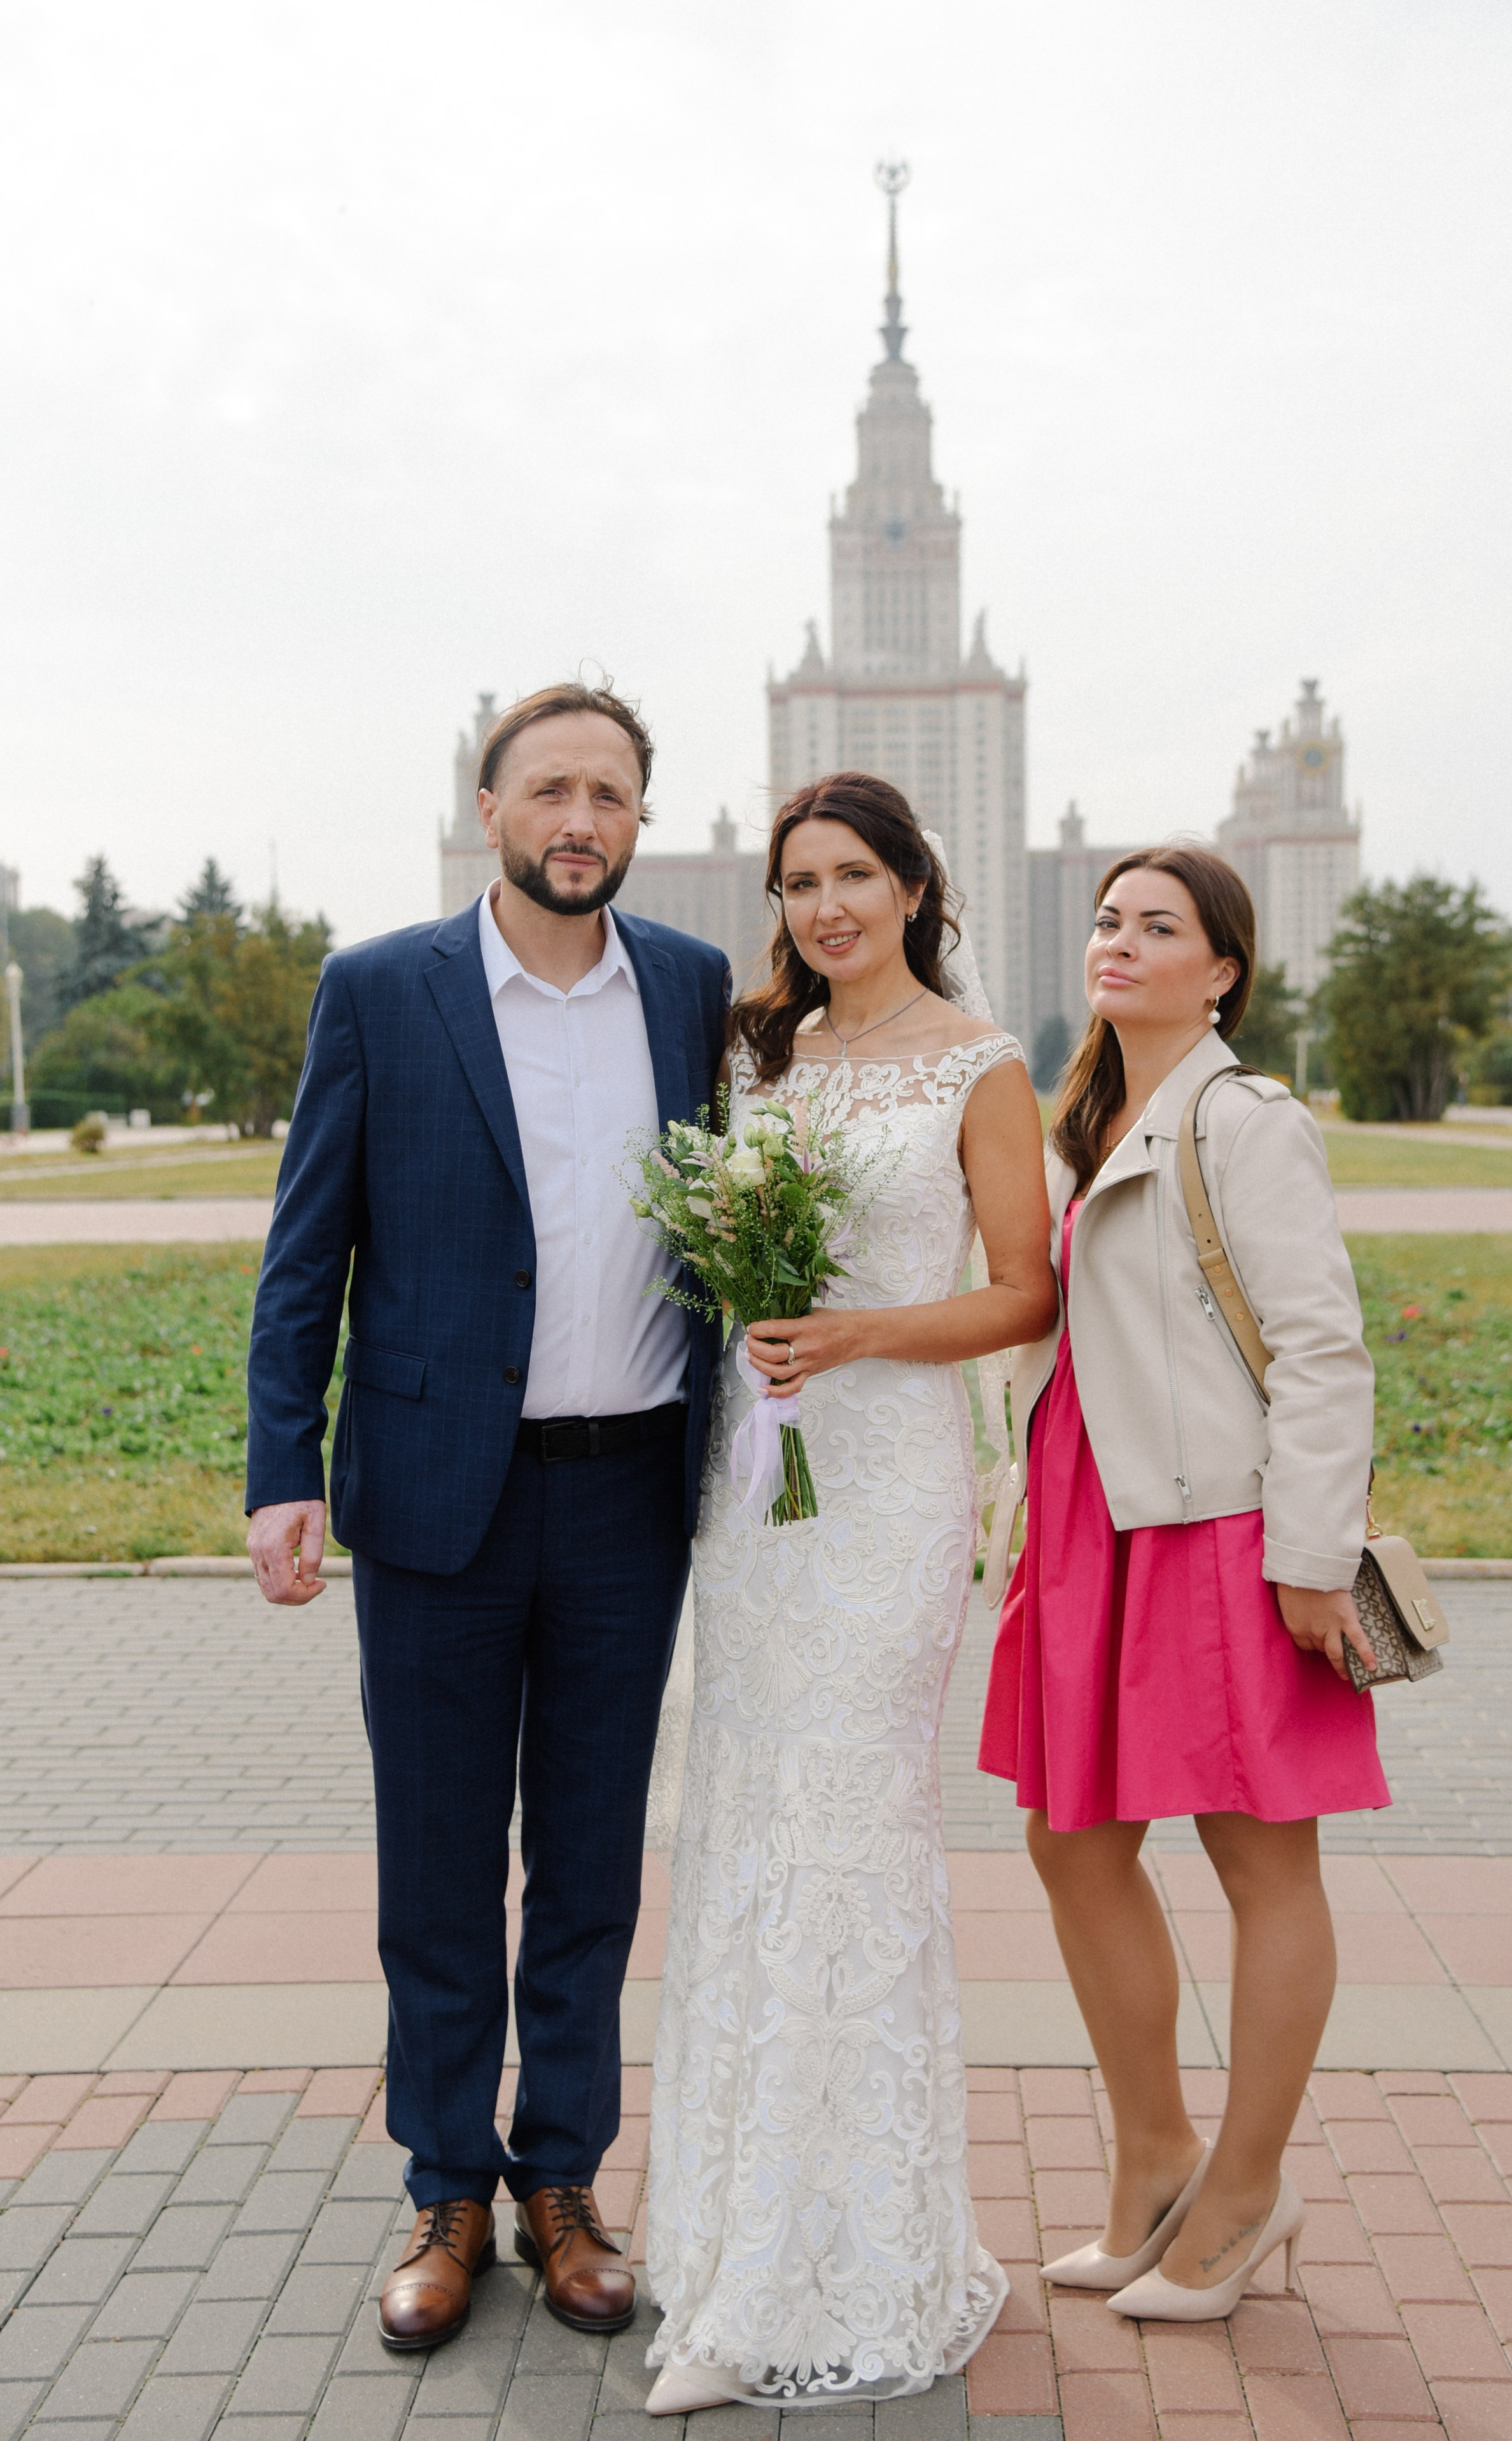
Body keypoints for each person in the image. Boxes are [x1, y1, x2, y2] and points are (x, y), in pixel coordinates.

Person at [245, 682, 730, 2354]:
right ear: (491, 809)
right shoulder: (383, 988)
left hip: (629, 1494)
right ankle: (447, 2185)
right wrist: (283, 1466)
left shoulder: (691, 988)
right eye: (551, 790)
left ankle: (562, 2180)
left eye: (610, 793)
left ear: (640, 818)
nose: (579, 819)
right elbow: (305, 1250)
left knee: (589, 1864)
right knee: (441, 1863)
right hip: (436, 1494)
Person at [641, 772, 1057, 2412]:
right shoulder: (759, 1055)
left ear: (912, 889)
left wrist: (862, 1333)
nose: (825, 907)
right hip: (756, 1489)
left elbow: (1023, 1291)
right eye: (799, 882)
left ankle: (851, 2263)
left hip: (885, 1490)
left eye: (853, 877)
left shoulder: (979, 1062)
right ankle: (733, 2240)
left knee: (847, 1831)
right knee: (745, 1824)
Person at [979, 843, 1387, 2323]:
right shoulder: (1078, 1121)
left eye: (1158, 926)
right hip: (1087, 1519)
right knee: (1069, 1840)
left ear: (1219, 969)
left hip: (1217, 1525)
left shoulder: (1244, 1119)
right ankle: (1154, 2160)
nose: (1118, 941)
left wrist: (1309, 1558)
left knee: (1259, 1862)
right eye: (1107, 919)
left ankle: (1245, 2188)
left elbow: (1321, 1346)